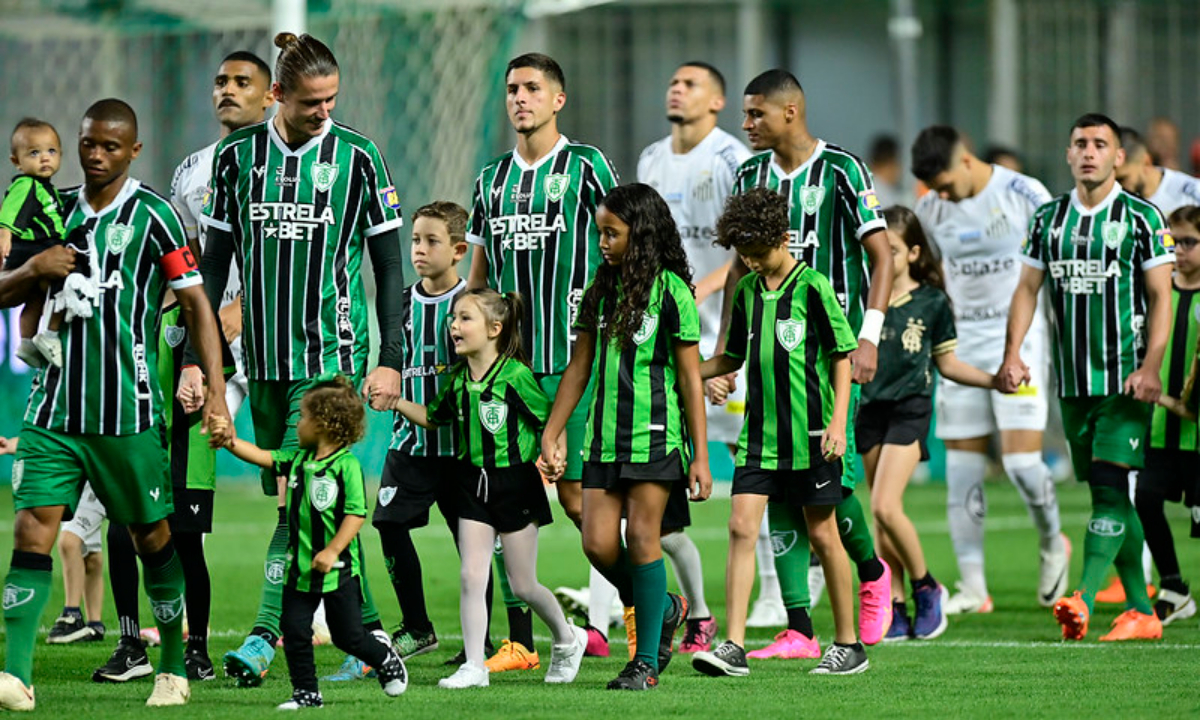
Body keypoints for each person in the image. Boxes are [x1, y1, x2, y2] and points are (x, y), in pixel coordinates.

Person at [186, 32, 407, 685]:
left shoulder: (360, 157)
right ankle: (368, 633)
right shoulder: (236, 158)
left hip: (330, 357)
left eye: (332, 100)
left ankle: (262, 637)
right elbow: (213, 264)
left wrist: (389, 357)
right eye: (311, 102)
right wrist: (209, 364)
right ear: (279, 95)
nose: (324, 112)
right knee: (314, 501)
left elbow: (389, 266)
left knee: (298, 504)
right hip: (264, 362)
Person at [0, 98, 232, 710]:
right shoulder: (51, 212)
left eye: (109, 146)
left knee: (153, 538)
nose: (95, 155)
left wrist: (213, 391)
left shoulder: (156, 215)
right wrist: (35, 270)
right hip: (53, 409)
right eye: (87, 144)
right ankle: (17, 676)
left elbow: (196, 305)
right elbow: (4, 285)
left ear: (133, 151)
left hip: (125, 413)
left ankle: (174, 665)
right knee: (31, 529)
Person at [91, 48, 277, 686]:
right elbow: (177, 257)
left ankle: (307, 622)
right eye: (220, 81)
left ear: (270, 95)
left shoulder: (289, 165)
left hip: (260, 349)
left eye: (241, 82)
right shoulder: (194, 168)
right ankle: (139, 642)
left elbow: (283, 262)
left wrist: (235, 319)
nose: (226, 90)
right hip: (184, 342)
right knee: (141, 489)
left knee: (298, 493)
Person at [716, 68, 895, 648]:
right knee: (774, 490)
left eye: (755, 114)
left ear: (790, 111)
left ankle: (870, 574)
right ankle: (799, 626)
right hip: (769, 347)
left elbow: (882, 257)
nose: (745, 126)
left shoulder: (841, 170)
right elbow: (740, 272)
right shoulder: (748, 174)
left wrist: (868, 335)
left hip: (831, 355)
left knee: (830, 488)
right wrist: (726, 356)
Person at [466, 52, 619, 672]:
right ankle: (519, 640)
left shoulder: (587, 167)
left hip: (576, 364)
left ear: (558, 99)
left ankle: (645, 606)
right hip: (511, 375)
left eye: (532, 88)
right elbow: (478, 279)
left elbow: (623, 246)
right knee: (500, 509)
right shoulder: (490, 179)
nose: (519, 99)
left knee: (583, 506)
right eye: (511, 89)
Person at [997, 112, 1173, 642]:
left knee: (1108, 488)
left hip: (1125, 383)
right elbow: (1027, 289)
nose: (1089, 152)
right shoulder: (1048, 219)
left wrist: (1151, 366)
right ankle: (1143, 612)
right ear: (1068, 155)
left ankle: (1084, 597)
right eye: (1080, 144)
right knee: (1112, 499)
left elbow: (1162, 295)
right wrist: (1013, 354)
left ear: (1119, 157)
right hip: (1072, 385)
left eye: (1101, 144)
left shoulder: (1142, 218)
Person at [538, 183, 710, 689]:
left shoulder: (673, 293)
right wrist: (553, 431)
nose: (603, 243)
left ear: (642, 233)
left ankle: (645, 665)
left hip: (656, 438)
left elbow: (689, 379)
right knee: (595, 544)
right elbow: (578, 367)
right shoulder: (599, 291)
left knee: (641, 538)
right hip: (602, 441)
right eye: (599, 233)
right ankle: (668, 604)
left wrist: (699, 457)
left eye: (612, 233)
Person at [692, 187, 865, 676]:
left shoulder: (813, 287)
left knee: (823, 535)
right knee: (740, 526)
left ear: (783, 238)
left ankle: (849, 645)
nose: (750, 261)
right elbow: (731, 357)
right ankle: (733, 645)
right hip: (759, 437)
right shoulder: (746, 290)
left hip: (811, 434)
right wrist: (691, 372)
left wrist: (836, 423)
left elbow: (842, 357)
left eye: (759, 252)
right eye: (742, 253)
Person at [393, 288, 588, 689]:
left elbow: (548, 419)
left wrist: (555, 453)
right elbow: (434, 418)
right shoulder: (458, 379)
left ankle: (568, 638)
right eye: (453, 320)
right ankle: (474, 666)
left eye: (465, 319)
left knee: (523, 585)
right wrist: (395, 402)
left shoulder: (516, 375)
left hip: (515, 485)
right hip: (470, 485)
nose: (454, 327)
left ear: (495, 328)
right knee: (471, 576)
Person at [910, 125, 1068, 614]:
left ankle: (1052, 541)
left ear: (966, 159)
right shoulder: (930, 209)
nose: (940, 195)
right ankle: (974, 588)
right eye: (932, 188)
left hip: (1019, 339)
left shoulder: (1024, 193)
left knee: (1022, 465)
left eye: (944, 184)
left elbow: (1050, 268)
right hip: (959, 343)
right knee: (961, 470)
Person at [633, 61, 751, 655]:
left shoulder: (731, 159)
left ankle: (784, 594)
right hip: (666, 337)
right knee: (650, 485)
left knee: (755, 463)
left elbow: (752, 246)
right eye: (672, 80)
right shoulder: (651, 159)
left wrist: (705, 292)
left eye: (691, 83)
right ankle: (659, 610)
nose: (676, 88)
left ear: (718, 101)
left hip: (729, 336)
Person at [213, 376, 407, 709]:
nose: (297, 423)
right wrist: (229, 441)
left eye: (303, 417)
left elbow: (355, 515)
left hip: (340, 571)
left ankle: (385, 660)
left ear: (324, 425)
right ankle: (306, 692)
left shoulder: (346, 467)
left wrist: (332, 551)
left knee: (348, 635)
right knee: (294, 630)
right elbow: (262, 456)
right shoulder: (297, 459)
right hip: (299, 568)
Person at [374, 201, 497, 660]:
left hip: (462, 450)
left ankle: (478, 641)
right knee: (388, 523)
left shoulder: (473, 307)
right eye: (414, 240)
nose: (419, 250)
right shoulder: (400, 303)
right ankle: (416, 626)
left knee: (473, 545)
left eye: (431, 241)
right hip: (410, 443)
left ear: (460, 249)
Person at [864, 207, 994, 641]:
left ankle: (927, 586)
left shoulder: (932, 302)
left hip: (910, 407)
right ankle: (897, 605)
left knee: (885, 505)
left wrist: (994, 381)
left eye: (894, 250)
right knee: (880, 521)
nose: (883, 256)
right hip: (869, 409)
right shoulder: (864, 297)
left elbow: (949, 363)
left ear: (914, 252)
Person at [1135, 205, 1200, 625]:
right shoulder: (1155, 293)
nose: (1178, 250)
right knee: (1145, 500)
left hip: (1197, 435)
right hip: (1160, 428)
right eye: (1171, 242)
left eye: (1189, 242)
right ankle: (1174, 586)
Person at [0, 441, 106, 645]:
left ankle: (71, 614)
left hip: (99, 473)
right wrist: (16, 444)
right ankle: (95, 624)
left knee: (69, 542)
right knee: (90, 553)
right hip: (77, 476)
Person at [0, 119, 75, 368]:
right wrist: (5, 234)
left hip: (32, 248)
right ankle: (51, 334)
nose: (44, 158)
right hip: (35, 248)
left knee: (35, 298)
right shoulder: (26, 184)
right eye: (34, 153)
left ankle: (27, 341)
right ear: (16, 161)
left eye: (51, 151)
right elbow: (10, 211)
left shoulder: (46, 187)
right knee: (63, 281)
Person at [1115, 127, 1200, 216]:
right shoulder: (1110, 203)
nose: (1116, 186)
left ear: (1147, 163)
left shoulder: (1191, 195)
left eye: (1122, 179)